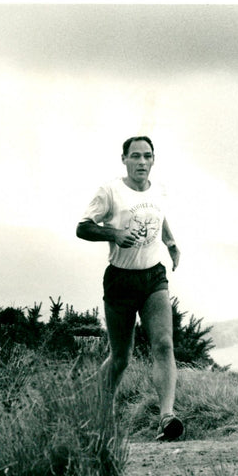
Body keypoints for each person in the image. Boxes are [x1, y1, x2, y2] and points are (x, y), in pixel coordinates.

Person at [76, 136, 183, 441]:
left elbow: (159, 218)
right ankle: (96, 412)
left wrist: (171, 242)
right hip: (120, 279)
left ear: (153, 160)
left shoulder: (159, 189)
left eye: (147, 156)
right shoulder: (110, 191)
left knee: (163, 344)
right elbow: (82, 227)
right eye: (135, 156)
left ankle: (167, 417)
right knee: (121, 357)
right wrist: (113, 233)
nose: (141, 162)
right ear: (123, 159)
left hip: (153, 278)